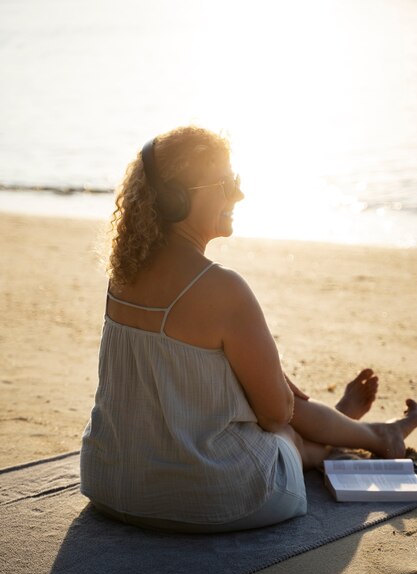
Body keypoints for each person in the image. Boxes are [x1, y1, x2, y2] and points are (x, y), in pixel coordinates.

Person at [80, 126, 417, 533]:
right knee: (284, 436)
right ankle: (365, 434)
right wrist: (270, 382)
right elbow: (277, 414)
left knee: (264, 409)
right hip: (211, 496)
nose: (238, 195)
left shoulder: (122, 274)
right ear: (176, 200)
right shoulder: (223, 288)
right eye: (225, 183)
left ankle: (360, 431)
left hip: (111, 485)